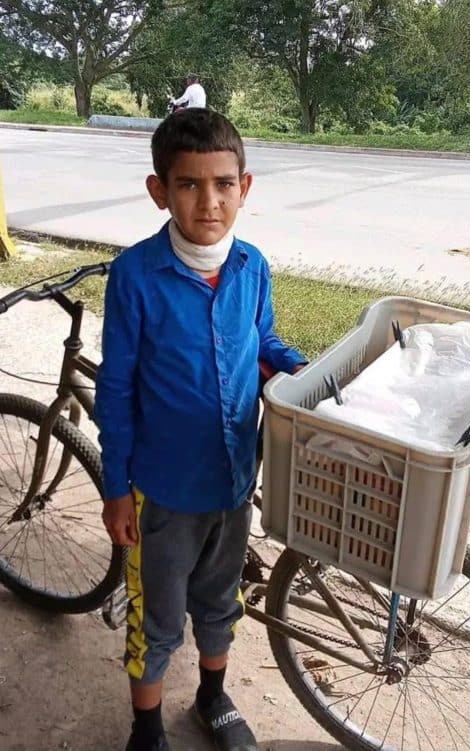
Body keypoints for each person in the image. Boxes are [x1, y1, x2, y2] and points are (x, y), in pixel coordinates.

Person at [96, 109, 306, 751]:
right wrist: (114, 488)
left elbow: (262, 341)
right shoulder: (135, 276)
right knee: (156, 621)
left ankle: (213, 697)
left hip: (235, 482)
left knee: (220, 603)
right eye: (188, 185)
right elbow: (116, 388)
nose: (208, 201)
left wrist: (301, 371)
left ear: (245, 187)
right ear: (160, 190)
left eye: (222, 184)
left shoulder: (251, 265)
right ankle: (147, 730)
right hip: (161, 494)